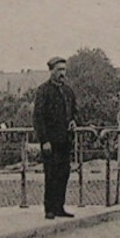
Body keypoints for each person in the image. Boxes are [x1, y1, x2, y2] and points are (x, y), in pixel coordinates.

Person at [33, 56, 77, 219]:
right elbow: (38, 118)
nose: (62, 73)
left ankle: (60, 206)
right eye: (59, 70)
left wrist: (73, 121)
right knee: (50, 174)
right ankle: (49, 208)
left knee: (63, 173)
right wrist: (44, 140)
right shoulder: (43, 91)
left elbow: (74, 112)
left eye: (64, 70)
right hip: (50, 142)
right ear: (51, 71)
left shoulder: (68, 91)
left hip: (65, 140)